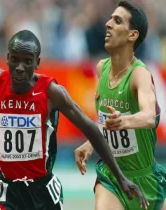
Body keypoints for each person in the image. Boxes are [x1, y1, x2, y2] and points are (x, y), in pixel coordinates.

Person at [0, 30, 149, 210]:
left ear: (37, 62)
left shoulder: (51, 93)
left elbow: (90, 128)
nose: (20, 68)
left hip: (42, 192)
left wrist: (120, 177)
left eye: (27, 61)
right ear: (7, 59)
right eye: (15, 59)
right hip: (5, 191)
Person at [74, 1, 166, 210]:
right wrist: (91, 143)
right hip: (112, 177)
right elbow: (108, 120)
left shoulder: (140, 75)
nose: (108, 24)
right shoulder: (101, 69)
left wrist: (123, 121)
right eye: (110, 19)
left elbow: (149, 116)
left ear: (132, 35)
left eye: (117, 21)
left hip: (147, 180)